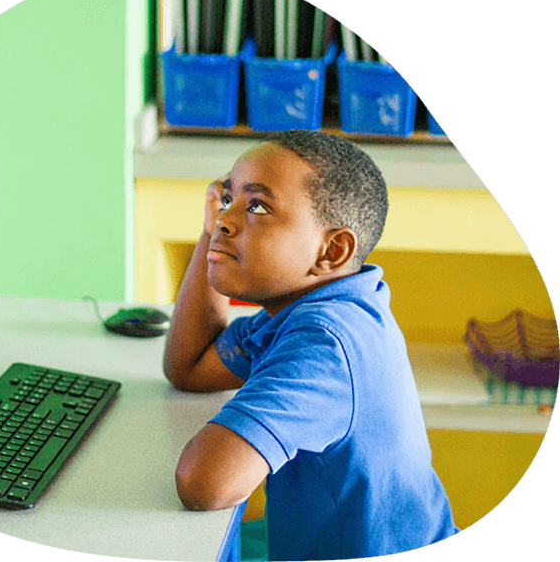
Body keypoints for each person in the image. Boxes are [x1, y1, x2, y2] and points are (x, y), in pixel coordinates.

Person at [162, 130, 459, 560]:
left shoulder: (324, 340)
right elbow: (189, 367)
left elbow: (205, 484)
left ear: (332, 250)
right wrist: (212, 235)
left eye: (258, 206)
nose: (226, 219)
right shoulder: (314, 308)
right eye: (228, 200)